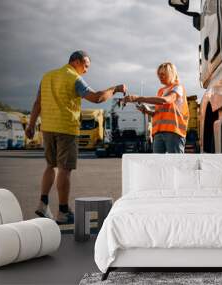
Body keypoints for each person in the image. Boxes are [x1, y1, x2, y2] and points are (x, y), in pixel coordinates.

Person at [25, 50, 126, 224]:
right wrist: (115, 89)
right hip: (66, 128)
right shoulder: (74, 78)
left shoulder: (47, 76)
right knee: (65, 169)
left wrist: (31, 124)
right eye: (85, 65)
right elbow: (97, 98)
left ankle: (43, 202)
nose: (86, 70)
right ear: (76, 61)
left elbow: (38, 102)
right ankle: (63, 211)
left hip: (48, 128)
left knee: (50, 165)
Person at [123, 62, 189, 153]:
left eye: (163, 74)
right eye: (159, 74)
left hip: (174, 132)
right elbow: (159, 113)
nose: (160, 77)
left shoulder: (177, 87)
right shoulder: (160, 91)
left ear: (171, 74)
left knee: (175, 163)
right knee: (157, 164)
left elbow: (166, 100)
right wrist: (147, 111)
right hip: (158, 132)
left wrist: (139, 98)